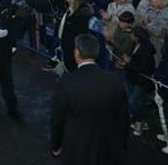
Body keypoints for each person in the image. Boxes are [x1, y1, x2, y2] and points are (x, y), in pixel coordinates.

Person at [50, 33, 128, 165]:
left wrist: (55, 145)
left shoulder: (67, 81)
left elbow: (58, 118)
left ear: (77, 52)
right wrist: (122, 144)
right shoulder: (114, 80)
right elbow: (124, 117)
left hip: (77, 149)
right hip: (107, 148)